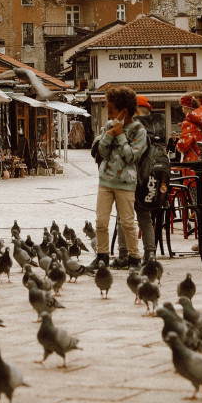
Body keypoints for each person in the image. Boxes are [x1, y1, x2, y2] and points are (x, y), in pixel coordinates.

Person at [90, 86, 146, 270]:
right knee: (101, 222)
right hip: (105, 181)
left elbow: (131, 157)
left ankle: (134, 258)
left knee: (127, 223)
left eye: (112, 111)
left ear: (124, 112)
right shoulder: (109, 126)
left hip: (126, 183)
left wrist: (120, 135)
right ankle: (102, 257)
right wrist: (109, 134)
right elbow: (102, 152)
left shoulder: (139, 131)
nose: (109, 115)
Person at [112, 95, 155, 268]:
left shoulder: (130, 129)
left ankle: (124, 255)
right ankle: (150, 254)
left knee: (123, 218)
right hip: (143, 179)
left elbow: (125, 155)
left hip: (127, 179)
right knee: (144, 217)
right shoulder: (152, 128)